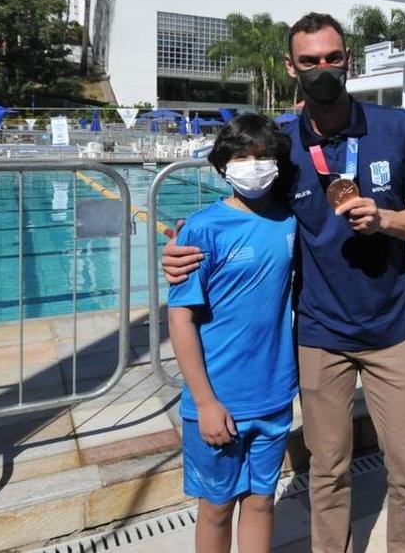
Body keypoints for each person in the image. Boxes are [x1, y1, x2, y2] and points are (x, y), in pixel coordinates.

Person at [164, 13, 405, 553]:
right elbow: (239, 209)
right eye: (309, 61)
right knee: (328, 471)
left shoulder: (395, 127)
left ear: (348, 61)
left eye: (332, 58)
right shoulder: (280, 144)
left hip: (390, 328)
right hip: (318, 336)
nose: (322, 70)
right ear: (291, 68)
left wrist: (384, 219)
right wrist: (182, 250)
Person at [166, 114, 298, 553]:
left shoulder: (287, 220)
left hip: (274, 392)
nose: (253, 164)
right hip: (219, 398)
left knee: (261, 503)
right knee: (217, 508)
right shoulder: (203, 228)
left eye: (262, 155)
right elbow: (181, 318)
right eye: (243, 156)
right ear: (224, 165)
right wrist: (204, 401)